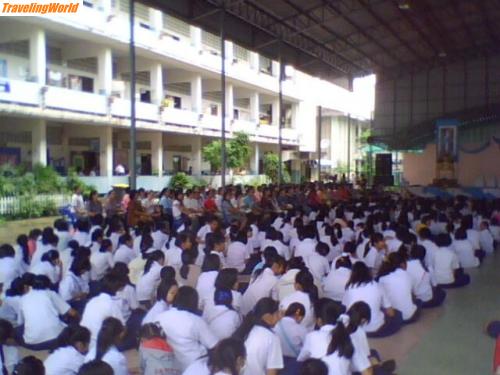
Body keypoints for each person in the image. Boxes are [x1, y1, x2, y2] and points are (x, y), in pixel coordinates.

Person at [156, 286, 218, 371]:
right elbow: (214, 345)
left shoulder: (159, 317)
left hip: (169, 365)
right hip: (195, 364)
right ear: (193, 302)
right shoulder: (195, 320)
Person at [342, 262, 402, 338]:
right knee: (398, 314)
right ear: (368, 272)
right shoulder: (376, 285)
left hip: (355, 328)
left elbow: (345, 307)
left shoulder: (349, 288)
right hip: (376, 328)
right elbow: (391, 313)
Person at [18, 275, 76, 350]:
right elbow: (72, 313)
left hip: (33, 343)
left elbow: (20, 322)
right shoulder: (50, 293)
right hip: (56, 338)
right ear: (48, 285)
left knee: (18, 328)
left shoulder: (23, 299)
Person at [233, 297, 284, 375]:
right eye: (277, 314)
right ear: (267, 317)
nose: (280, 318)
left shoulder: (250, 330)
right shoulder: (272, 338)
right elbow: (272, 372)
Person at [80, 274, 125, 345]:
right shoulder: (112, 304)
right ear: (116, 290)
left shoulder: (92, 301)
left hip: (85, 339)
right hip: (100, 343)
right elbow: (122, 328)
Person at [377, 253, 419, 324]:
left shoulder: (382, 279)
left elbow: (381, 300)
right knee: (418, 301)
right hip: (410, 316)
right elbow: (415, 294)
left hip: (395, 316)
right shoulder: (408, 275)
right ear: (402, 264)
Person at [274, 303, 307, 374]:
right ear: (300, 317)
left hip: (277, 361)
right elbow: (306, 347)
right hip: (295, 365)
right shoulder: (301, 329)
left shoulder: (276, 324)